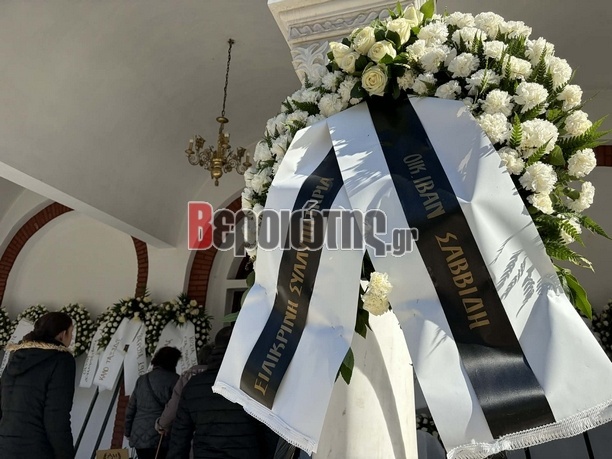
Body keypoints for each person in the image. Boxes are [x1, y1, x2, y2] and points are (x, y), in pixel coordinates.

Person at [167, 326, 278, 459]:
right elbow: (269, 433)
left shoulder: (193, 386)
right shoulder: (256, 385)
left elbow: (179, 439)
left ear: (215, 347)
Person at [0, 311, 76, 459]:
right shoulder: (61, 360)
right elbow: (56, 417)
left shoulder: (15, 356)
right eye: (71, 332)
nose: (71, 338)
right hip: (37, 449)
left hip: (5, 447)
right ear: (62, 335)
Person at [125, 346, 181, 459]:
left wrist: (127, 431)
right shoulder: (176, 380)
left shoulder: (142, 379)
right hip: (161, 436)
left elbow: (130, 409)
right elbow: (176, 409)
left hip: (139, 435)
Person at [155, 344, 213, 434]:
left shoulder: (187, 376)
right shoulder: (223, 377)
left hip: (194, 431)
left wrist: (162, 424)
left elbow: (175, 404)